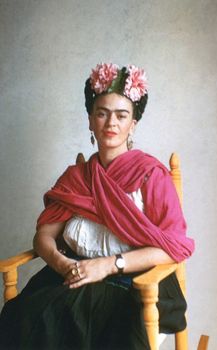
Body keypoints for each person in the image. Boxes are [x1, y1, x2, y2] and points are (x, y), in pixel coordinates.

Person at [0, 63, 195, 350]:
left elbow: (174, 246)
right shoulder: (76, 178)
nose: (111, 123)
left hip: (136, 282)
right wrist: (62, 263)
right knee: (24, 316)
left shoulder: (150, 175)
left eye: (121, 115)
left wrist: (108, 265)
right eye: (102, 114)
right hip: (74, 275)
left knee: (94, 322)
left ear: (133, 124)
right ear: (91, 120)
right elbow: (43, 235)